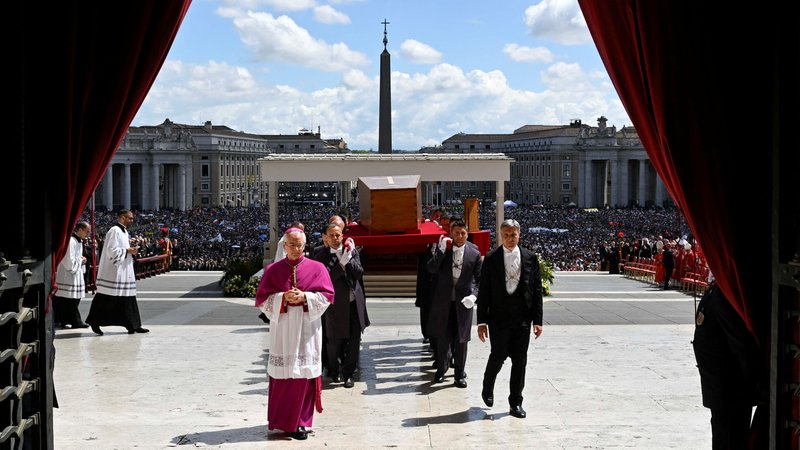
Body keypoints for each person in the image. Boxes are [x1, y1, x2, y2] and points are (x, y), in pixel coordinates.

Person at [255, 227, 334, 440]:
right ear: (284, 245)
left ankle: (301, 422)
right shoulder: (273, 270)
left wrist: (306, 298)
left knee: (304, 375)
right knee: (284, 377)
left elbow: (327, 296)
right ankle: (282, 421)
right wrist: (283, 298)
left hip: (307, 330)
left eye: (299, 245)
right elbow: (262, 300)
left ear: (304, 245)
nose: (296, 249)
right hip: (283, 330)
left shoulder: (318, 268)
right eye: (291, 244)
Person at [476, 219, 543, 419]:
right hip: (498, 319)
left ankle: (516, 402)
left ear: (519, 235)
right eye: (506, 235)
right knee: (498, 356)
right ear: (500, 235)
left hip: (522, 319)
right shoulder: (491, 258)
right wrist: (481, 322)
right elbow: (484, 292)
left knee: (520, 362)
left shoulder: (530, 258)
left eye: (513, 235)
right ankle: (488, 386)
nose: (510, 238)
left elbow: (536, 290)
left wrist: (537, 320)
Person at [692, 283, 765, 449]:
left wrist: (758, 383)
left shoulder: (723, 295)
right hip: (720, 388)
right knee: (724, 436)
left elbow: (740, 344)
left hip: (731, 389)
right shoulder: (719, 291)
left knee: (730, 439)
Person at [310, 223, 369, 388]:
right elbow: (323, 279)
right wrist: (340, 265)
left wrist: (349, 260)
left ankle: (348, 374)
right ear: (326, 238)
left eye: (338, 235)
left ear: (343, 236)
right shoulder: (321, 255)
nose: (336, 239)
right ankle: (335, 371)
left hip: (353, 304)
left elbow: (359, 273)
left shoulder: (351, 250)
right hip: (334, 306)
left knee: (354, 341)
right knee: (334, 342)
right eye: (332, 236)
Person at [426, 219, 482, 387]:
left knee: (461, 340)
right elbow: (431, 268)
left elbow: (480, 281)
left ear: (467, 233)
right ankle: (441, 370)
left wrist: (473, 296)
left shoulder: (475, 253)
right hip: (444, 302)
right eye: (456, 233)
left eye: (463, 233)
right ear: (451, 233)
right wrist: (441, 251)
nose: (459, 236)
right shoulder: (443, 249)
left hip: (463, 304)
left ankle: (459, 374)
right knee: (443, 338)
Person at [86, 209, 149, 335]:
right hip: (114, 272)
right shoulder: (114, 230)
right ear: (122, 217)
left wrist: (129, 249)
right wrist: (128, 251)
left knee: (128, 297)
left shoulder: (124, 231)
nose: (132, 220)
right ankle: (95, 321)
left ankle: (133, 325)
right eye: (129, 218)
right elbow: (112, 250)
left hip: (124, 270)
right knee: (105, 297)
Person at [53, 221, 91, 329]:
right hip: (67, 275)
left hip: (74, 274)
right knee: (70, 300)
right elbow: (68, 261)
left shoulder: (78, 241)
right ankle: (75, 321)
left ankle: (64, 320)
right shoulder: (70, 241)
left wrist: (80, 260)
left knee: (71, 299)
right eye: (87, 231)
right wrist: (81, 260)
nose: (88, 234)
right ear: (79, 230)